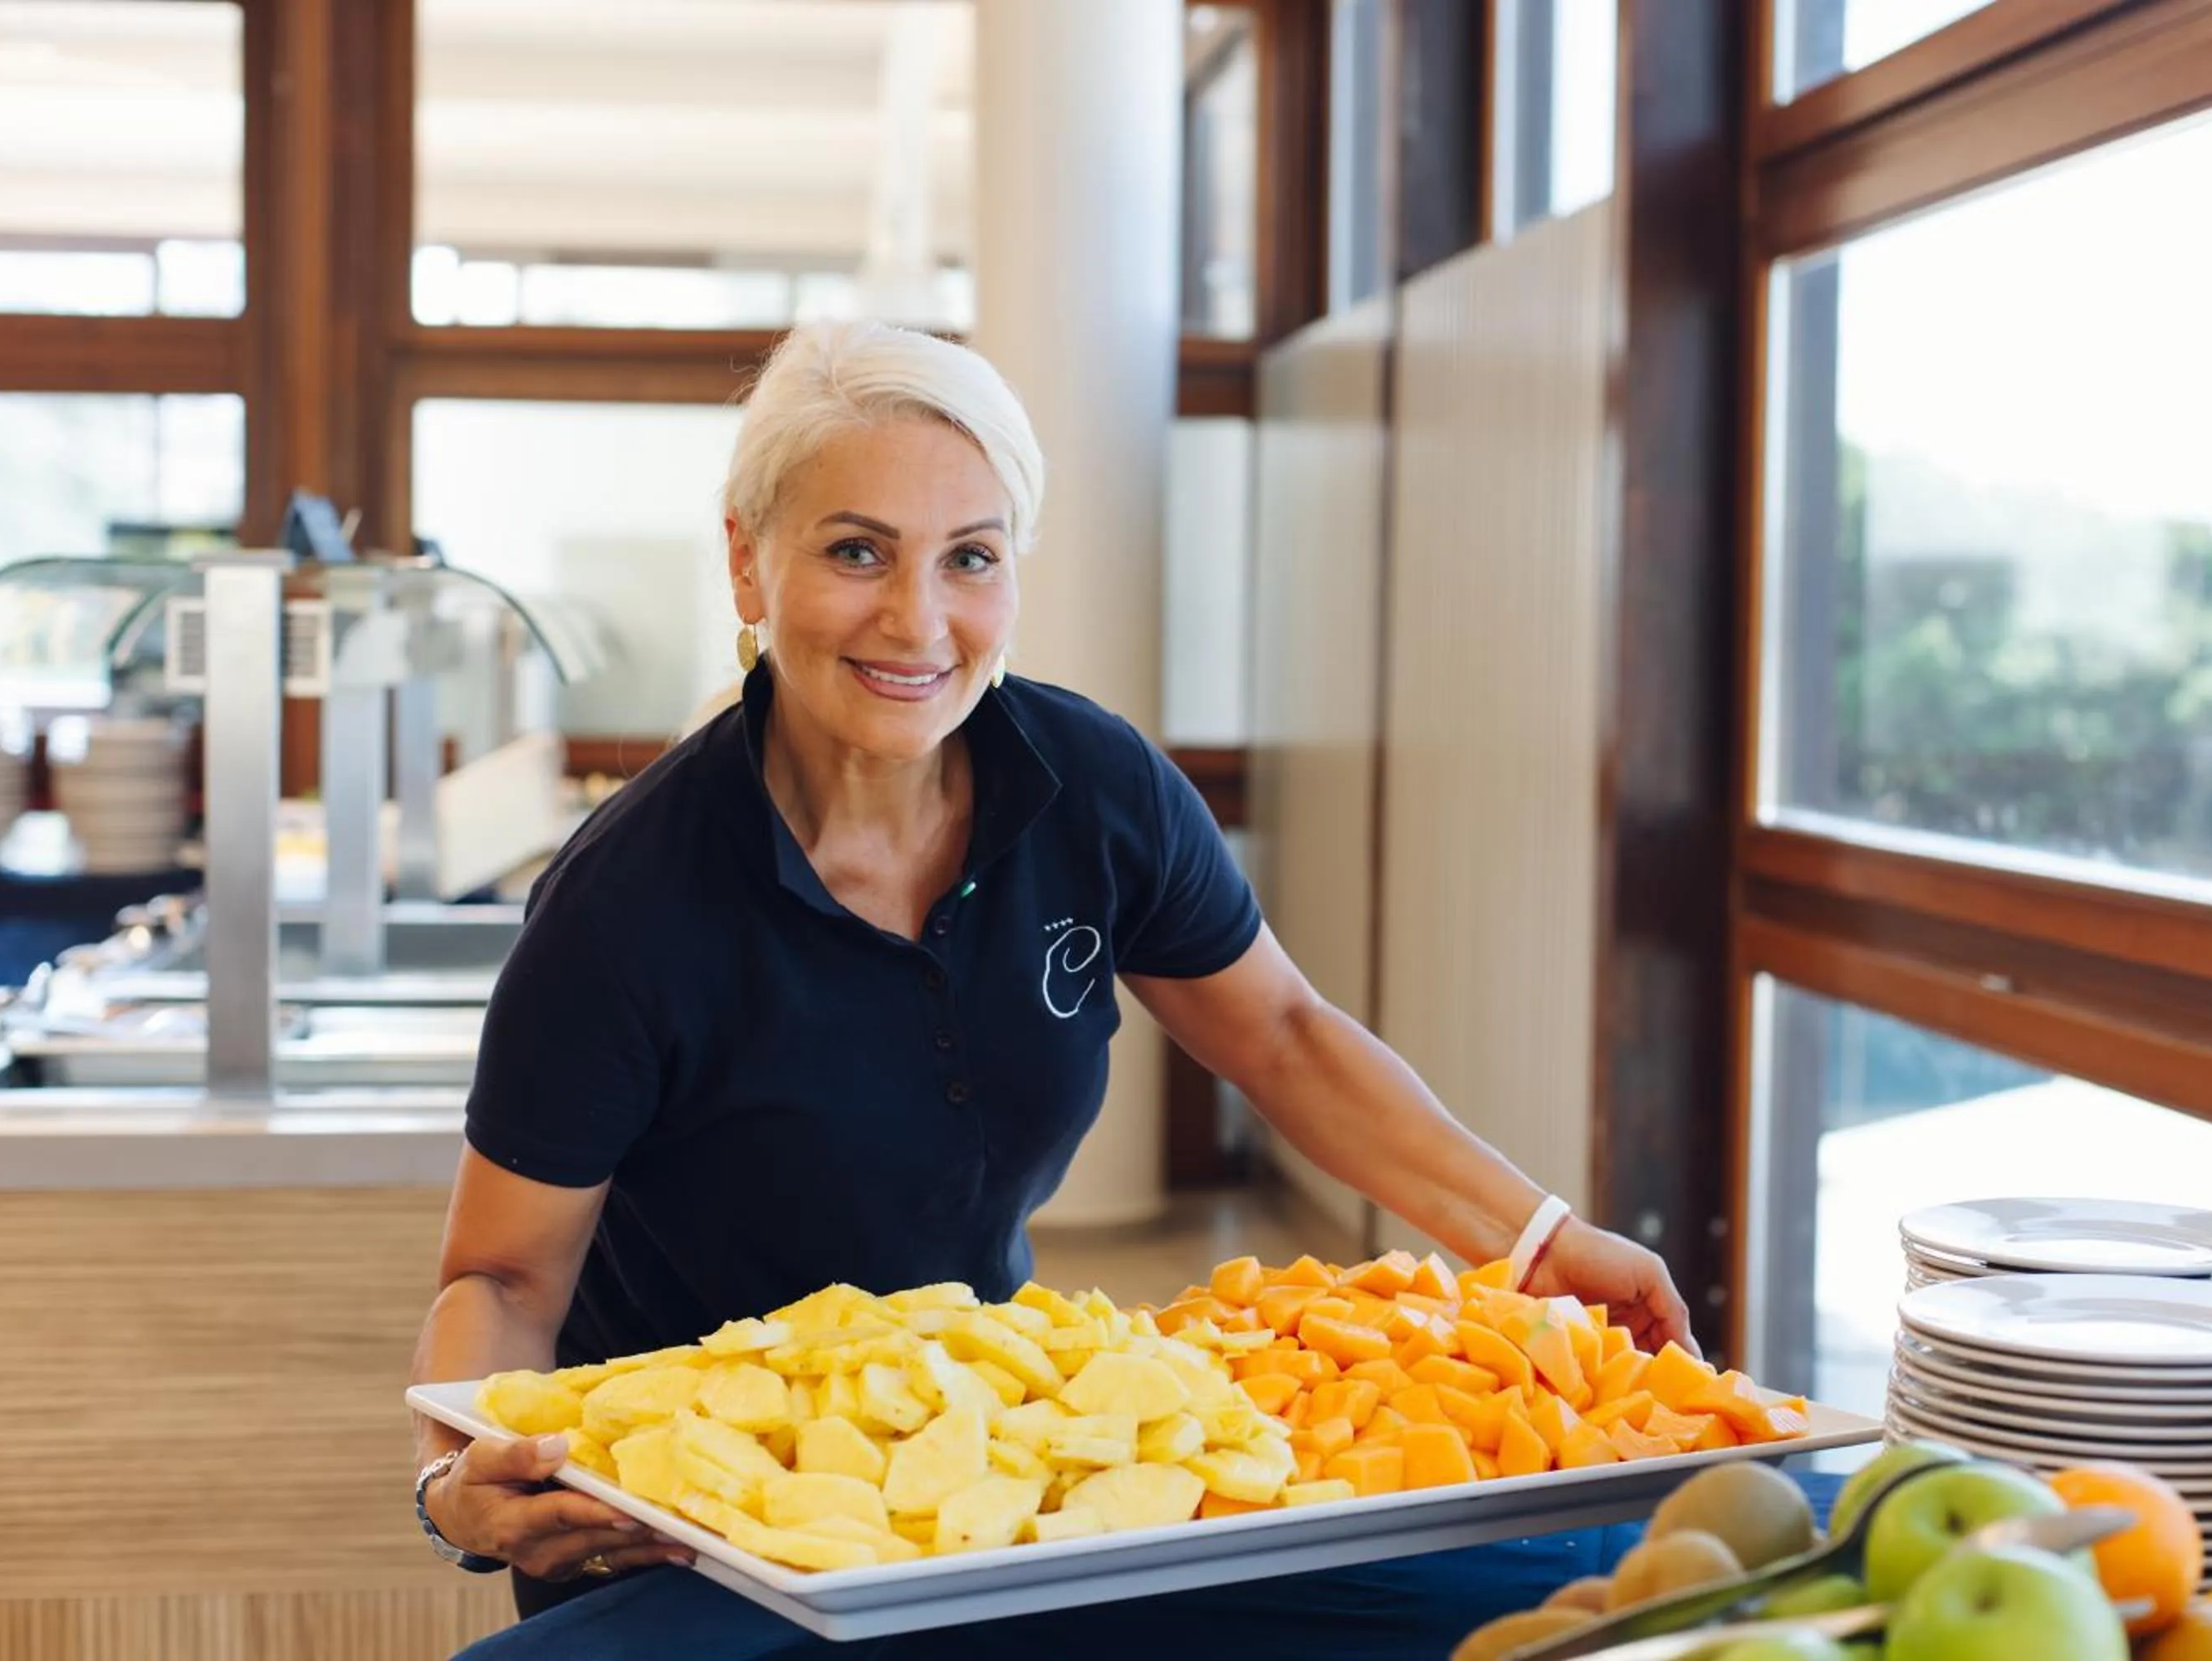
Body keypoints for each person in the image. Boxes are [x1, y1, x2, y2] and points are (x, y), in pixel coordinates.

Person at [408, 320, 1694, 1659]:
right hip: (694, 1531)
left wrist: (1537, 1240)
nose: (918, 620)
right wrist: (457, 1484)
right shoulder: (628, 906)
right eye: (858, 551)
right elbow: (501, 1275)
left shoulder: (1094, 786)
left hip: (989, 1488)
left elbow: (1286, 1038)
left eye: (970, 557)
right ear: (747, 557)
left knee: (1551, 1592)